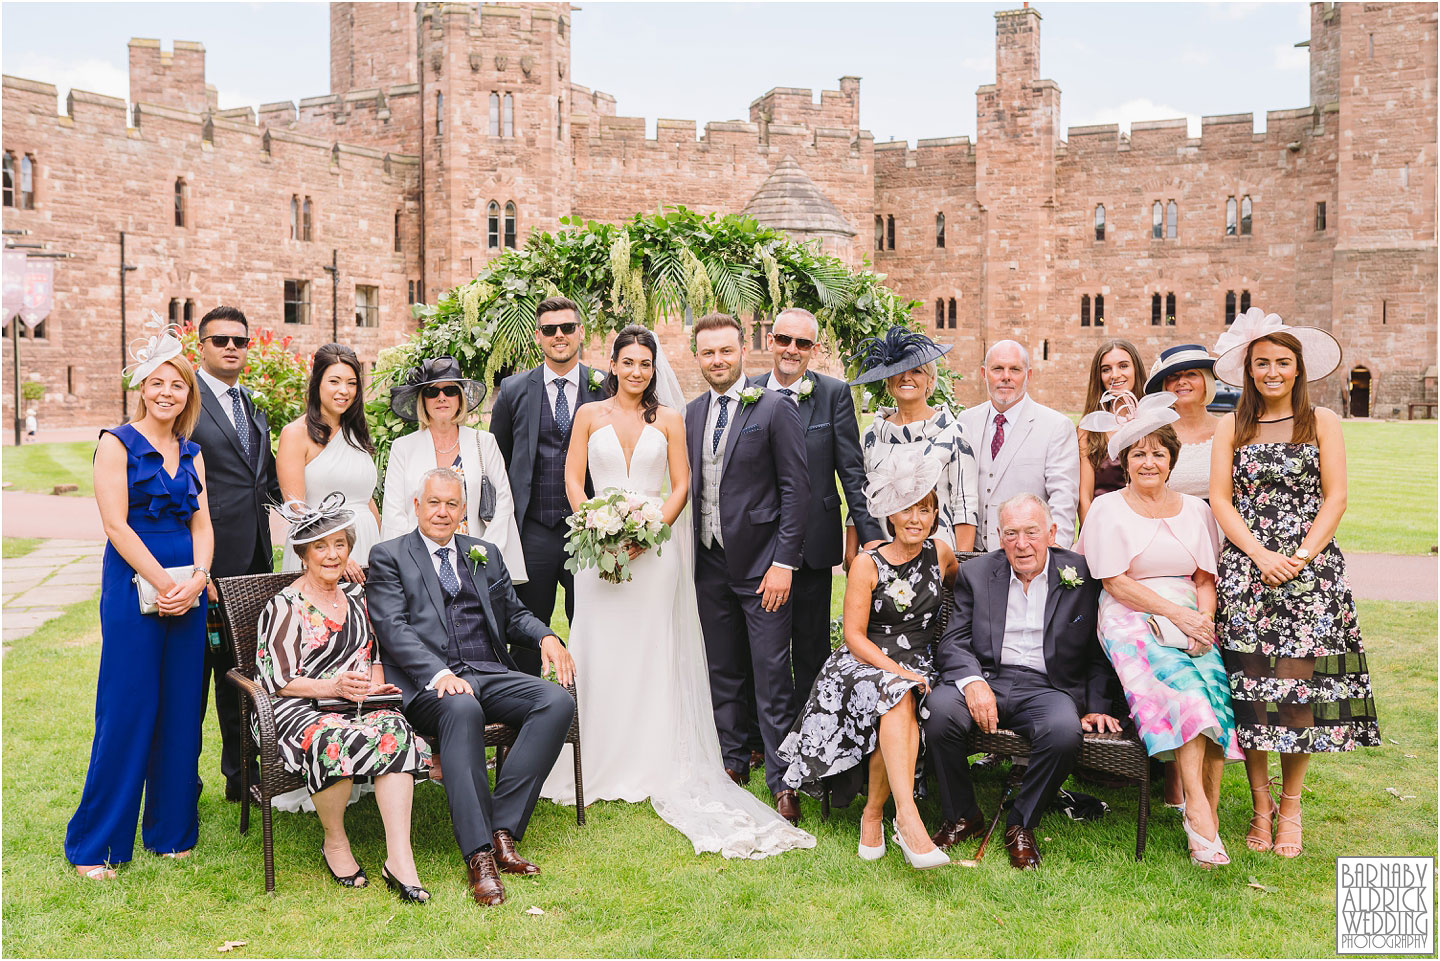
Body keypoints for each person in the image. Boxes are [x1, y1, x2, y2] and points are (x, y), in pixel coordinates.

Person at [540, 325, 815, 859]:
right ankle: (597, 755)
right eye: (628, 362)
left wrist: (648, 535)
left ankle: (666, 757)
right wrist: (595, 528)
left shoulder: (670, 418)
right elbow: (574, 480)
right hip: (598, 557)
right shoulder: (588, 416)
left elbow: (683, 485)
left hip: (653, 552)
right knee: (601, 650)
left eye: (646, 362)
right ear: (613, 365)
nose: (638, 371)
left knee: (656, 652)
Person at [1209, 308, 1379, 858]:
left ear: (1298, 368)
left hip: (1310, 574)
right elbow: (1220, 501)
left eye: (1283, 362)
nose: (1273, 372)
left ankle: (1292, 805)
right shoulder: (1231, 425)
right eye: (1263, 363)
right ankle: (1259, 808)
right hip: (1249, 571)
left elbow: (1337, 497)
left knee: (1296, 690)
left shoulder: (1322, 422)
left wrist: (1301, 556)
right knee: (1254, 692)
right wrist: (1259, 555)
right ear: (1249, 370)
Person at [366, 468, 576, 907]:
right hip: (430, 683)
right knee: (462, 709)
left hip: (486, 669)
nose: (442, 512)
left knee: (555, 701)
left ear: (463, 511)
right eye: (434, 503)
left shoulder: (484, 552)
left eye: (452, 504)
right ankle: (480, 856)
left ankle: (501, 828)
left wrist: (546, 636)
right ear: (417, 506)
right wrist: (440, 674)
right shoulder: (389, 556)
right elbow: (392, 627)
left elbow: (513, 614)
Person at [66, 323, 213, 880]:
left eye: (176, 385)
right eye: (156, 383)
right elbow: (115, 526)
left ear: (187, 394)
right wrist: (164, 583)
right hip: (134, 586)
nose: (166, 393)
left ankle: (171, 831)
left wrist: (198, 579)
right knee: (128, 709)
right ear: (142, 388)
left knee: (180, 710)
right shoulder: (115, 443)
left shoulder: (192, 451)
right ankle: (98, 843)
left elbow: (204, 523)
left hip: (188, 588)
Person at [1076, 400, 1243, 868]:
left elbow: (1205, 578)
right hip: (1131, 612)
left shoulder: (1196, 510)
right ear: (1124, 462)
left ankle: (1199, 809)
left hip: (1190, 611)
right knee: (1185, 689)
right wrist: (1179, 616)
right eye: (1137, 454)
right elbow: (1114, 581)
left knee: (1214, 690)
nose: (1148, 462)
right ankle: (1200, 816)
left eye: (1157, 454)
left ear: (1172, 460)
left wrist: (1203, 623)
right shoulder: (1109, 508)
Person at [779, 449, 958, 868]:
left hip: (919, 660)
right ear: (890, 516)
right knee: (898, 693)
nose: (916, 519)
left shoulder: (942, 553)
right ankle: (908, 822)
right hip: (863, 663)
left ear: (934, 515)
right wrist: (897, 670)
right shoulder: (867, 563)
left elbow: (957, 587)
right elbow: (854, 636)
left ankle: (875, 814)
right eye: (906, 510)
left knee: (901, 697)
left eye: (926, 510)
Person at [923, 494, 1120, 869]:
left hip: (1047, 686)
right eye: (1011, 533)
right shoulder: (977, 573)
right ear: (999, 536)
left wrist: (1096, 707)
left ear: (1052, 532)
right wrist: (972, 681)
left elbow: (1098, 652)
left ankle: (1021, 823)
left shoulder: (1082, 574)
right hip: (988, 677)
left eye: (1032, 532)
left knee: (1063, 732)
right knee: (938, 711)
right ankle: (962, 815)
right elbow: (953, 641)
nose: (1022, 543)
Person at [256, 496, 432, 901]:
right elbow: (277, 679)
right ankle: (335, 840)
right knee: (332, 739)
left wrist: (375, 688)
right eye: (321, 546)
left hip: (356, 700)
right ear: (303, 554)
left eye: (340, 545)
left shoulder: (357, 597)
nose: (332, 555)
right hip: (296, 705)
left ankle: (399, 859)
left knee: (395, 730)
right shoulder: (284, 605)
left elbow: (371, 655)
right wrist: (332, 688)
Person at [741, 307, 883, 767]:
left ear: (814, 349)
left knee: (810, 648)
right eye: (784, 339)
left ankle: (809, 743)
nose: (791, 350)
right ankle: (757, 740)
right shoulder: (748, 394)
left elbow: (852, 473)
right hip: (758, 545)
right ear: (770, 340)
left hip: (815, 545)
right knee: (759, 651)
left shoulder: (834, 395)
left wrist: (872, 539)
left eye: (802, 343)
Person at [684, 312, 810, 822]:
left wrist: (783, 563)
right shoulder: (690, 413)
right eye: (708, 352)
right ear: (698, 357)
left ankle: (784, 778)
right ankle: (731, 763)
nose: (717, 360)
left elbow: (796, 491)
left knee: (772, 672)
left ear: (743, 352)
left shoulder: (776, 407)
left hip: (764, 566)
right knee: (722, 668)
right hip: (708, 560)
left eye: (726, 351)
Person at [488, 297, 609, 674]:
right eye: (550, 330)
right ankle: (527, 717)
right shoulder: (513, 390)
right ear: (538, 337)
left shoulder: (604, 387)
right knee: (526, 632)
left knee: (594, 627)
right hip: (532, 532)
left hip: (588, 532)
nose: (560, 336)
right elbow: (498, 460)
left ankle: (592, 716)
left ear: (581, 332)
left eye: (567, 328)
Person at [190, 305, 281, 803]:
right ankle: (182, 779)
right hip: (205, 562)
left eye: (239, 341)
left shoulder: (250, 403)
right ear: (200, 346)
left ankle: (240, 775)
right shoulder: (186, 400)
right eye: (220, 339)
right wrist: (193, 565)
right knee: (193, 678)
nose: (231, 347)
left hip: (254, 563)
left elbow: (261, 483)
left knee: (239, 673)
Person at [380, 356, 525, 579]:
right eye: (432, 392)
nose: (441, 398)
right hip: (419, 564)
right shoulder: (403, 448)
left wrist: (484, 553)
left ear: (460, 398)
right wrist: (411, 561)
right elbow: (394, 512)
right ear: (423, 400)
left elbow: (504, 502)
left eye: (449, 390)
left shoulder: (483, 443)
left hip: (475, 561)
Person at [847, 326, 977, 554]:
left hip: (936, 555)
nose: (907, 377)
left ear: (931, 381)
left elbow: (964, 505)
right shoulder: (871, 436)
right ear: (888, 381)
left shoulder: (953, 433)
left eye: (917, 371)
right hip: (881, 554)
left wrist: (961, 564)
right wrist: (851, 553)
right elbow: (859, 499)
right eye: (899, 371)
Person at [958, 340, 1079, 550]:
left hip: (1028, 555)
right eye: (997, 369)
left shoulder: (1056, 426)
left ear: (1028, 375)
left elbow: (1063, 498)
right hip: (970, 555)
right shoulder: (966, 421)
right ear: (984, 373)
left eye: (1015, 369)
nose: (1006, 376)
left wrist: (1055, 553)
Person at [277, 344, 380, 577]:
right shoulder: (295, 433)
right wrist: (336, 553)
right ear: (317, 383)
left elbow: (366, 498)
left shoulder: (357, 433)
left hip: (367, 546)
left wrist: (382, 550)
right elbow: (297, 508)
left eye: (351, 383)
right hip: (322, 551)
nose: (344, 390)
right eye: (334, 381)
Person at [1076, 339, 1147, 524]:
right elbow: (1085, 497)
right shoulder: (1088, 429)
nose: (1115, 375)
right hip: (1105, 525)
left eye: (1123, 366)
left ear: (1136, 369)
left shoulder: (1153, 420)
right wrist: (1091, 539)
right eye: (1106, 369)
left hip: (1148, 523)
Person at [1144, 344, 1220, 500]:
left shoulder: (1229, 429)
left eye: (1191, 374)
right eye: (1174, 376)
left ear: (1206, 381)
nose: (1181, 381)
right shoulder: (1157, 434)